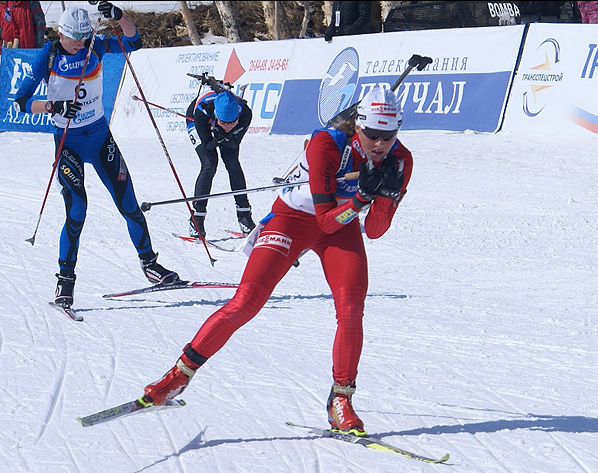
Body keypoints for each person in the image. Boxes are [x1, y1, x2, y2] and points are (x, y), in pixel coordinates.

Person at [141, 86, 413, 435]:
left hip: (340, 229)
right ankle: (179, 375)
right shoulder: (327, 144)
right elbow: (326, 218)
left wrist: (387, 197)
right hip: (295, 218)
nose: (379, 145)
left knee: (351, 307)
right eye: (372, 134)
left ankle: (341, 400)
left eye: (388, 136)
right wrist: (361, 198)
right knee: (247, 301)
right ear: (357, 127)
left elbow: (373, 231)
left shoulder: (400, 159)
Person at [13, 4, 180, 308]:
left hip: (101, 138)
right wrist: (54, 107)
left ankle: (150, 265)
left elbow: (133, 41)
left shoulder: (95, 47)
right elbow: (21, 101)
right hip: (69, 144)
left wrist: (119, 16)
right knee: (77, 210)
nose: (79, 43)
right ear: (61, 33)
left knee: (129, 204)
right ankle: (65, 281)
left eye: (83, 37)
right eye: (74, 38)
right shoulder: (49, 56)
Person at [185, 90, 255, 238]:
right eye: (224, 122)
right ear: (217, 116)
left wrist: (224, 133)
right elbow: (209, 144)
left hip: (216, 121)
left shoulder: (245, 113)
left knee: (232, 163)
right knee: (209, 164)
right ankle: (197, 219)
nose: (228, 126)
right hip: (198, 120)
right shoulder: (201, 112)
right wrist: (217, 135)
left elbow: (233, 143)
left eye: (232, 123)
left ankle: (244, 217)